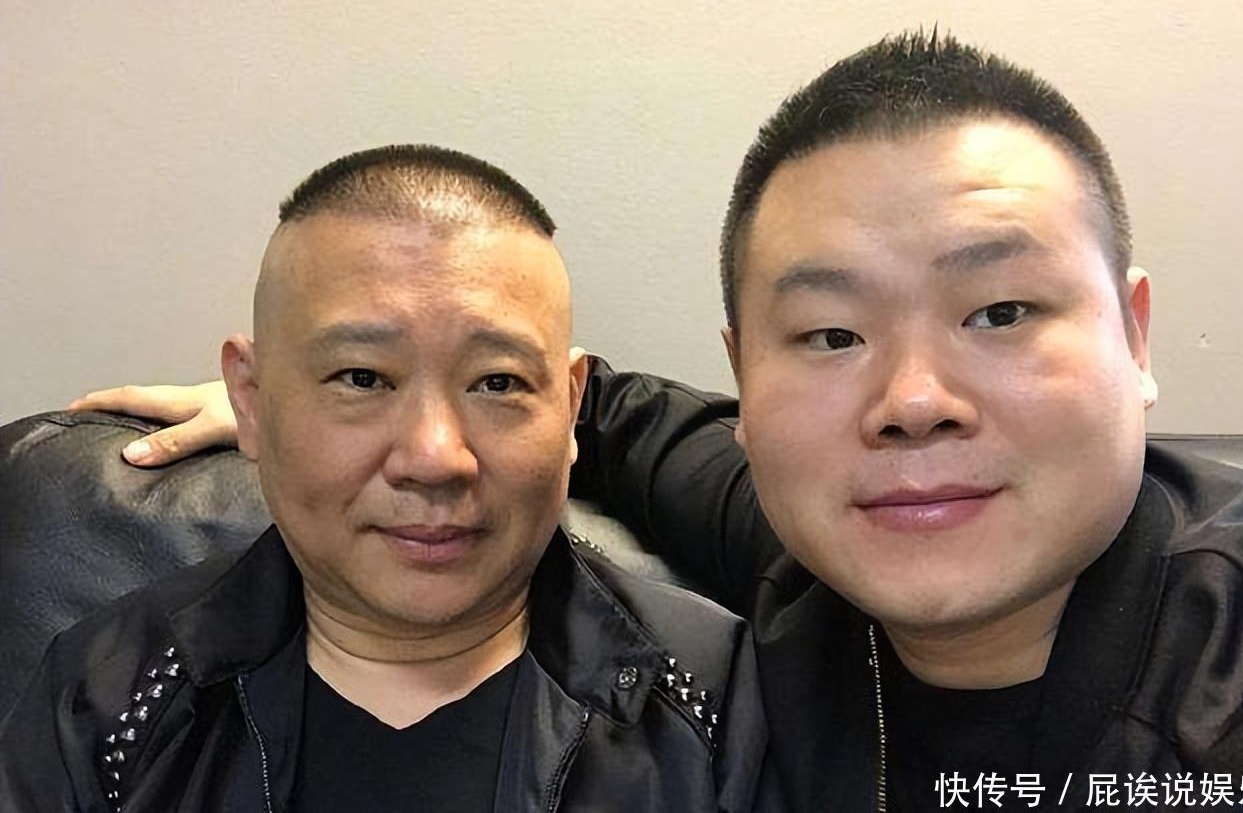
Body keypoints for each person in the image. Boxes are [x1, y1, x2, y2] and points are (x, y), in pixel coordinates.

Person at [68, 31, 1243, 811]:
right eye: (829, 335)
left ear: (1132, 336)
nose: (912, 403)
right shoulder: (809, 558)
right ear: (746, 384)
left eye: (999, 311)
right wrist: (311, 401)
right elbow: (614, 410)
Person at [0, 145, 769, 813]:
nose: (435, 457)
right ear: (253, 402)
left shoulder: (719, 703)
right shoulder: (109, 703)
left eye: (498, 383)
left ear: (571, 408)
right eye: (362, 378)